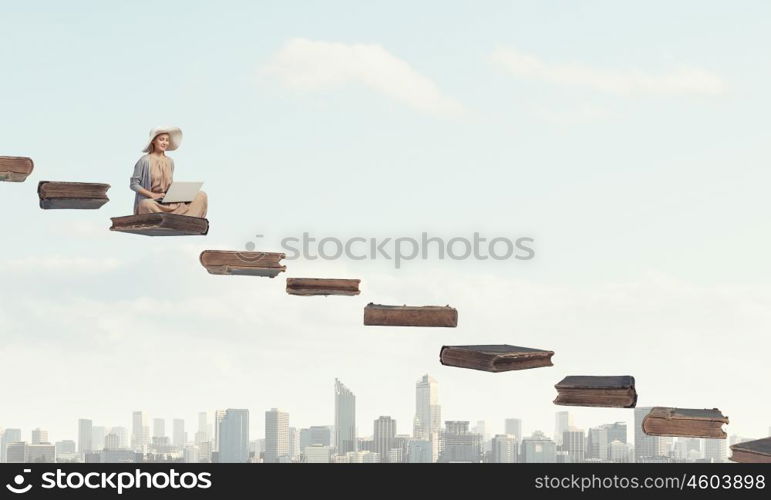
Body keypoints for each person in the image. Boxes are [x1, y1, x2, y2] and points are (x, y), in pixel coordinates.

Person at [130, 126, 208, 217]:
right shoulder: (144, 161)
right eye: (161, 139)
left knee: (201, 195)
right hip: (153, 202)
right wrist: (152, 195)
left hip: (167, 200)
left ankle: (183, 218)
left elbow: (169, 184)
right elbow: (134, 184)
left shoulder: (170, 161)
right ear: (153, 141)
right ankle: (173, 217)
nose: (165, 142)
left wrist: (178, 194)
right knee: (145, 204)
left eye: (167, 140)